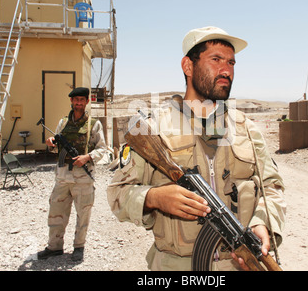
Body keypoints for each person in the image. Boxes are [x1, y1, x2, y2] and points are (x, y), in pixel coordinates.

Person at [107, 26, 286, 270]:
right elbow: (117, 194)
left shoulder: (246, 128)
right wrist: (154, 197)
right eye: (216, 59)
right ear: (188, 66)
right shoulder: (153, 129)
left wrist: (262, 222)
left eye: (231, 62)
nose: (226, 70)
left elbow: (272, 187)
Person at [38, 87, 108, 262]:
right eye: (75, 100)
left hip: (83, 177)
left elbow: (102, 149)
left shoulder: (94, 124)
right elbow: (56, 149)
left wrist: (87, 157)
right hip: (63, 176)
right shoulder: (63, 123)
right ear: (71, 101)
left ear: (86, 102)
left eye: (81, 100)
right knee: (56, 212)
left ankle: (79, 247)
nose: (78, 103)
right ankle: (54, 247)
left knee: (83, 213)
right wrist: (51, 144)